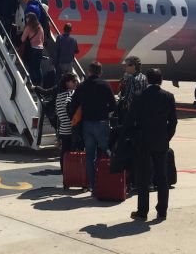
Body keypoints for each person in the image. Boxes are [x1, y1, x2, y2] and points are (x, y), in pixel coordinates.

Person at [126, 68, 177, 221]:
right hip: (161, 141)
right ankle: (162, 211)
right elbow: (173, 121)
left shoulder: (139, 96)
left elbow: (130, 120)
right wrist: (166, 137)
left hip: (143, 141)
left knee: (143, 177)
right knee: (162, 177)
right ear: (161, 80)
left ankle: (142, 211)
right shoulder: (168, 96)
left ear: (147, 80)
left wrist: (133, 137)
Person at [69, 61, 116, 191]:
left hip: (87, 124)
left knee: (89, 155)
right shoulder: (105, 85)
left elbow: (73, 105)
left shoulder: (82, 86)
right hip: (101, 122)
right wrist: (104, 112)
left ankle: (93, 185)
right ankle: (108, 180)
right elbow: (113, 105)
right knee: (106, 151)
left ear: (89, 72)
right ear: (100, 72)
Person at [35, 72, 79, 170]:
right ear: (67, 83)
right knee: (72, 150)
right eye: (74, 81)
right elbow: (71, 110)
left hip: (63, 128)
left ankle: (64, 169)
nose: (76, 83)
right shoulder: (69, 94)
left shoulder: (59, 95)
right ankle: (71, 170)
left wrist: (37, 88)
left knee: (64, 151)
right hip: (70, 127)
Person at [119, 56, 147, 122]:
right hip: (143, 112)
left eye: (126, 65)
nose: (125, 68)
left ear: (133, 66)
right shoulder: (144, 77)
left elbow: (130, 99)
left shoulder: (132, 79)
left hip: (134, 114)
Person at [21, 12, 44, 86]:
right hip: (40, 48)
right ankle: (39, 84)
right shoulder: (39, 26)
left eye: (27, 18)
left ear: (29, 19)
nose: (26, 19)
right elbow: (43, 39)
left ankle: (33, 84)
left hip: (33, 49)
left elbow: (22, 39)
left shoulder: (29, 27)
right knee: (38, 67)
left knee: (31, 68)